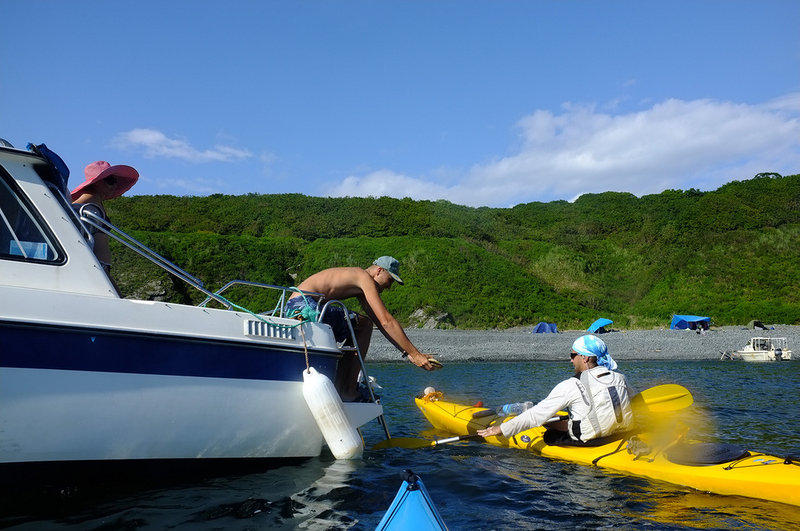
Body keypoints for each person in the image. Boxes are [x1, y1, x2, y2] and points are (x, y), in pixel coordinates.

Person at [286, 256, 441, 401]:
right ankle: (347, 391)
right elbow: (387, 321)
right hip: (303, 305)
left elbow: (381, 324)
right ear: (379, 270)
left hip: (298, 305)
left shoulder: (360, 285)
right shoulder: (362, 276)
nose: (389, 286)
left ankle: (342, 387)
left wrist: (409, 354)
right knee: (363, 325)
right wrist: (416, 354)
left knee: (362, 324)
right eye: (390, 280)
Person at [477, 335, 634, 445]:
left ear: (585, 358)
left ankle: (521, 410)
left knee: (547, 430)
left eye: (573, 355)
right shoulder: (620, 378)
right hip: (619, 434)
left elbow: (535, 416)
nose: (570, 359)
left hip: (590, 441)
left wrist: (501, 429)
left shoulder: (571, 385)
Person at [71, 160, 139, 282]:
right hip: (98, 269)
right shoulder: (86, 203)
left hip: (99, 268)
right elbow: (70, 210)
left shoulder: (94, 202)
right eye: (111, 181)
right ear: (97, 182)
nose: (114, 186)